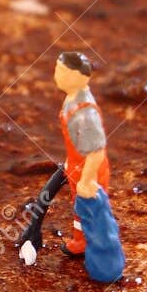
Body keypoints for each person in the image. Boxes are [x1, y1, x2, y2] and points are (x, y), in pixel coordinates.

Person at [54, 49, 110, 258]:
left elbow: (96, 150)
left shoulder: (85, 112)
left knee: (89, 207)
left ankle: (95, 246)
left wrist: (87, 180)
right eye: (57, 70)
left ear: (79, 77)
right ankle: (82, 241)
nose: (57, 76)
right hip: (77, 163)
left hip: (90, 170)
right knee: (79, 206)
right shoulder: (72, 100)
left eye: (63, 72)